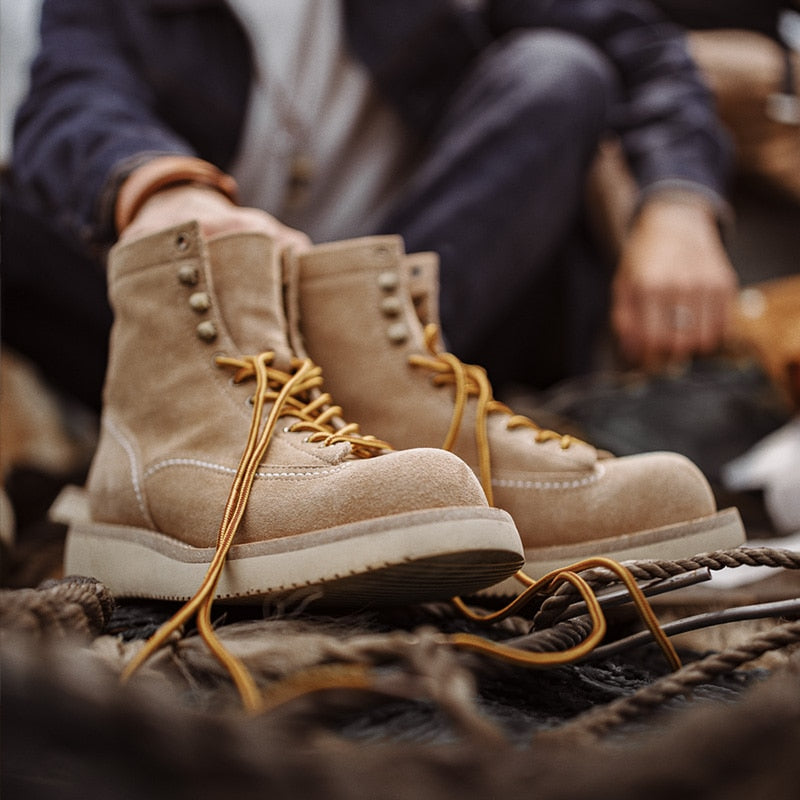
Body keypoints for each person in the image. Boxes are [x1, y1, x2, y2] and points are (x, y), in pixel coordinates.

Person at [2, 0, 745, 612]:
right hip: (208, 334)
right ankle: (206, 451)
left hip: (420, 298)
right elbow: (67, 98)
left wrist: (678, 202)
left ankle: (385, 410)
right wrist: (158, 184)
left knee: (558, 70)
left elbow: (639, 47)